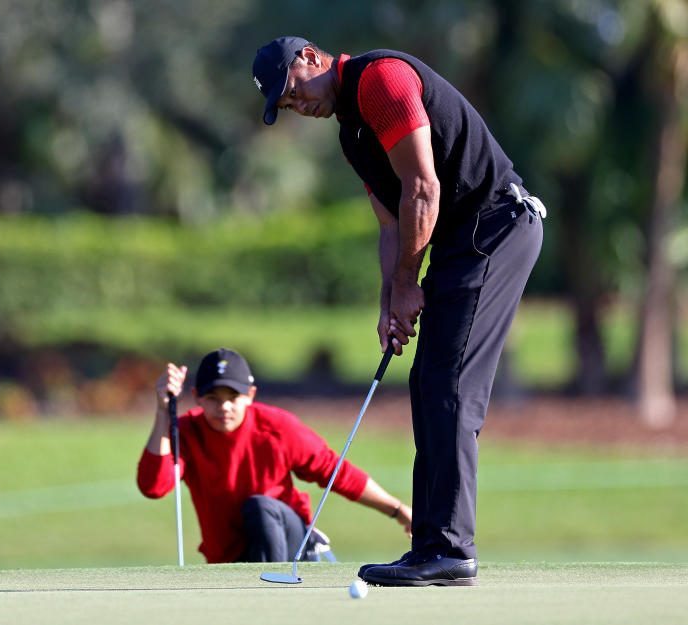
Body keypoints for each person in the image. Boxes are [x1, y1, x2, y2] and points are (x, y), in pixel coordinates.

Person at [251, 37, 544, 586]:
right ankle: (432, 545)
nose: (300, 106)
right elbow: (391, 224)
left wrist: (410, 285)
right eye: (288, 106)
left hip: (497, 225)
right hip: (466, 239)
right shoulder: (351, 134)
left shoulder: (382, 81)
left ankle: (452, 550)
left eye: (294, 92)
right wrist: (390, 301)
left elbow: (424, 188)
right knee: (429, 383)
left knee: (450, 384)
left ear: (311, 58)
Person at [136, 347, 412, 564]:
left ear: (251, 395)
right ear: (196, 396)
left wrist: (399, 511)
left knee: (260, 508)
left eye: (233, 396)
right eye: (213, 398)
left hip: (289, 545)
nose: (224, 407)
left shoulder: (277, 427)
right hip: (226, 557)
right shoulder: (185, 431)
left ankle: (275, 597)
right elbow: (154, 487)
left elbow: (336, 473)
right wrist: (163, 411)